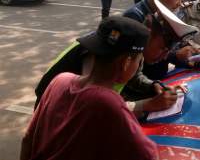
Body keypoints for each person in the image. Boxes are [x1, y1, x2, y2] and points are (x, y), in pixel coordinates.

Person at [21, 16, 158, 160]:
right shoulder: (108, 102)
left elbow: (27, 139)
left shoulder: (60, 80)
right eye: (138, 60)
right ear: (126, 62)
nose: (137, 67)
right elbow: (148, 155)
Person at [33, 0, 197, 117]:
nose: (164, 56)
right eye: (162, 48)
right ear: (147, 32)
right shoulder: (106, 55)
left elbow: (134, 76)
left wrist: (153, 86)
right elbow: (94, 105)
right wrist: (148, 105)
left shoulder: (133, 51)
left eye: (167, 51)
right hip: (54, 114)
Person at [124, 0, 200, 80]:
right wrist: (175, 55)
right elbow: (136, 57)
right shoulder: (134, 17)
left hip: (158, 80)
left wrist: (188, 60)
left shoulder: (165, 15)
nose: (180, 3)